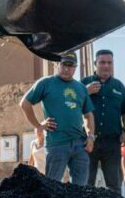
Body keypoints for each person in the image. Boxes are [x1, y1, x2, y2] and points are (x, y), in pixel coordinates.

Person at [20, 52, 95, 184]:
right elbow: (25, 103)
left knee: (81, 190)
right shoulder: (46, 83)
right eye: (64, 64)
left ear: (75, 67)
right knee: (52, 188)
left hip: (79, 145)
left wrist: (90, 136)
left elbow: (89, 115)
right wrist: (38, 125)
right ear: (57, 65)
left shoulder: (81, 88)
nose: (67, 69)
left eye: (71, 66)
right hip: (57, 144)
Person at [82, 50, 125, 191]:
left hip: (112, 143)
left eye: (109, 63)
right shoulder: (84, 83)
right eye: (102, 62)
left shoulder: (119, 86)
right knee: (86, 184)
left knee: (114, 184)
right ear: (95, 64)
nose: (106, 66)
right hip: (88, 141)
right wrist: (85, 92)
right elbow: (73, 104)